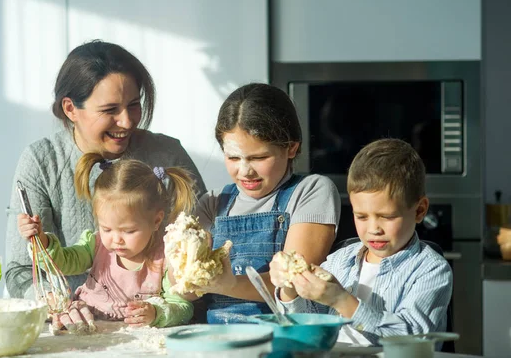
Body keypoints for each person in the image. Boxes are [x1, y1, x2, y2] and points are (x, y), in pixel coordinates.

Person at [6, 40, 206, 302]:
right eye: (110, 110)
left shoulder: (168, 154)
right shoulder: (42, 162)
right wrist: (61, 306)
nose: (127, 121)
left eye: (134, 104)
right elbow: (20, 270)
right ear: (70, 109)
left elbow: (205, 242)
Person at [269, 138, 453, 346]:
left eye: (387, 217)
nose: (374, 229)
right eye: (362, 217)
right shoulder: (340, 260)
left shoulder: (431, 270)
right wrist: (290, 289)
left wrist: (342, 300)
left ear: (419, 210)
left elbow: (413, 340)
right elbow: (306, 325)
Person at [192, 83, 341, 323]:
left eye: (259, 157)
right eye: (233, 157)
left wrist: (226, 283)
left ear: (291, 147)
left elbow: (294, 282)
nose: (245, 171)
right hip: (218, 335)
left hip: (284, 333)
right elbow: (188, 291)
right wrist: (180, 274)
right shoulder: (212, 202)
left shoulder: (311, 191)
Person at [18, 153, 196, 329]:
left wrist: (156, 313)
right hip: (87, 327)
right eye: (106, 229)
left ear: (156, 221)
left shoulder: (166, 257)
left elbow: (182, 307)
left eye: (128, 231)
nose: (116, 239)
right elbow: (63, 262)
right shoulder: (96, 244)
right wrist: (41, 240)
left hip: (137, 342)